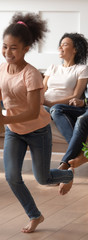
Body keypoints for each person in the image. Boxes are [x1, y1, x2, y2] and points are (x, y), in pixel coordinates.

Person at [0, 12, 74, 233]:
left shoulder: (31, 75)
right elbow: (0, 95)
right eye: (5, 46)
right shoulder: (2, 68)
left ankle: (67, 174)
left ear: (26, 49)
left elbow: (33, 112)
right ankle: (35, 215)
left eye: (13, 47)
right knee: (12, 177)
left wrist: (3, 119)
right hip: (14, 131)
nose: (8, 52)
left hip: (38, 130)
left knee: (43, 178)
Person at [43, 33, 88, 170]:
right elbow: (42, 89)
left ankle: (68, 161)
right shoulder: (53, 67)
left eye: (65, 44)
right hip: (44, 105)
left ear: (75, 50)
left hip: (63, 106)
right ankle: (80, 152)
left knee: (56, 110)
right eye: (60, 45)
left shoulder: (81, 69)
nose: (60, 48)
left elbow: (76, 95)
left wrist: (52, 104)